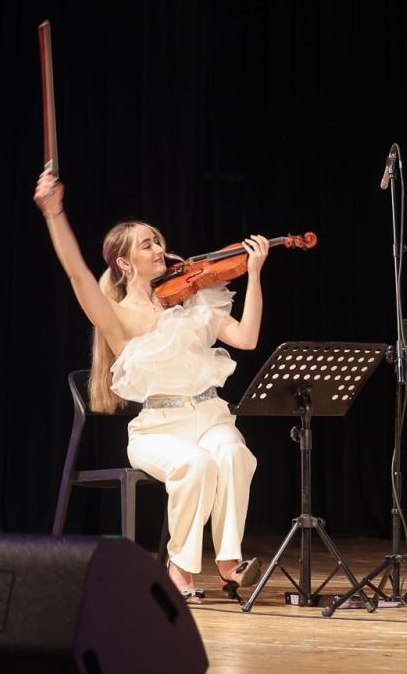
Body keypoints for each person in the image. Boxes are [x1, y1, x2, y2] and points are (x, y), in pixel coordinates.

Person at [33, 167, 266, 603]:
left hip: (210, 415)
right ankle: (179, 567)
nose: (159, 248)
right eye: (147, 244)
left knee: (234, 454)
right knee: (196, 465)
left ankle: (229, 562)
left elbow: (247, 337)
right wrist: (53, 213)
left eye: (158, 240)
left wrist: (254, 274)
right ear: (124, 263)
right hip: (158, 428)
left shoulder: (190, 300)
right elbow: (78, 274)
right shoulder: (118, 317)